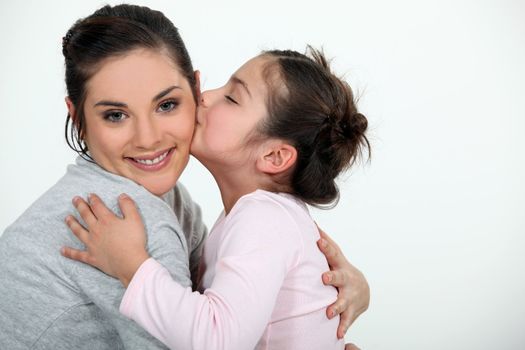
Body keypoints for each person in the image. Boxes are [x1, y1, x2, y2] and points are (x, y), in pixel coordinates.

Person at [0, 4, 368, 350]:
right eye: (115, 115)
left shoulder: (230, 213)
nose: (148, 138)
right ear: (77, 117)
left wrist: (345, 285)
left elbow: (216, 322)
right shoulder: (120, 217)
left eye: (167, 105)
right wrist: (132, 262)